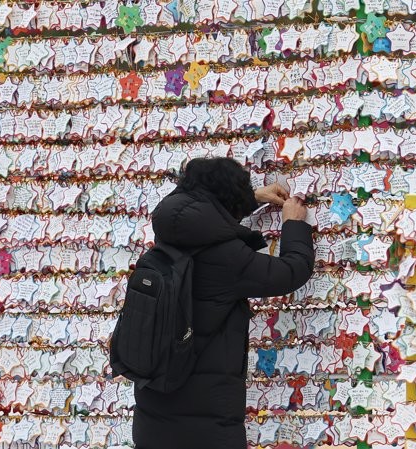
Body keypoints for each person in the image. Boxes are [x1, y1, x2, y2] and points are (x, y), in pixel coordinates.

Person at [132, 157, 314, 449]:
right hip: (205, 421)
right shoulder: (224, 257)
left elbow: (205, 218)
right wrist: (294, 225)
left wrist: (251, 200)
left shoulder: (170, 232)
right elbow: (291, 272)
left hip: (153, 409)